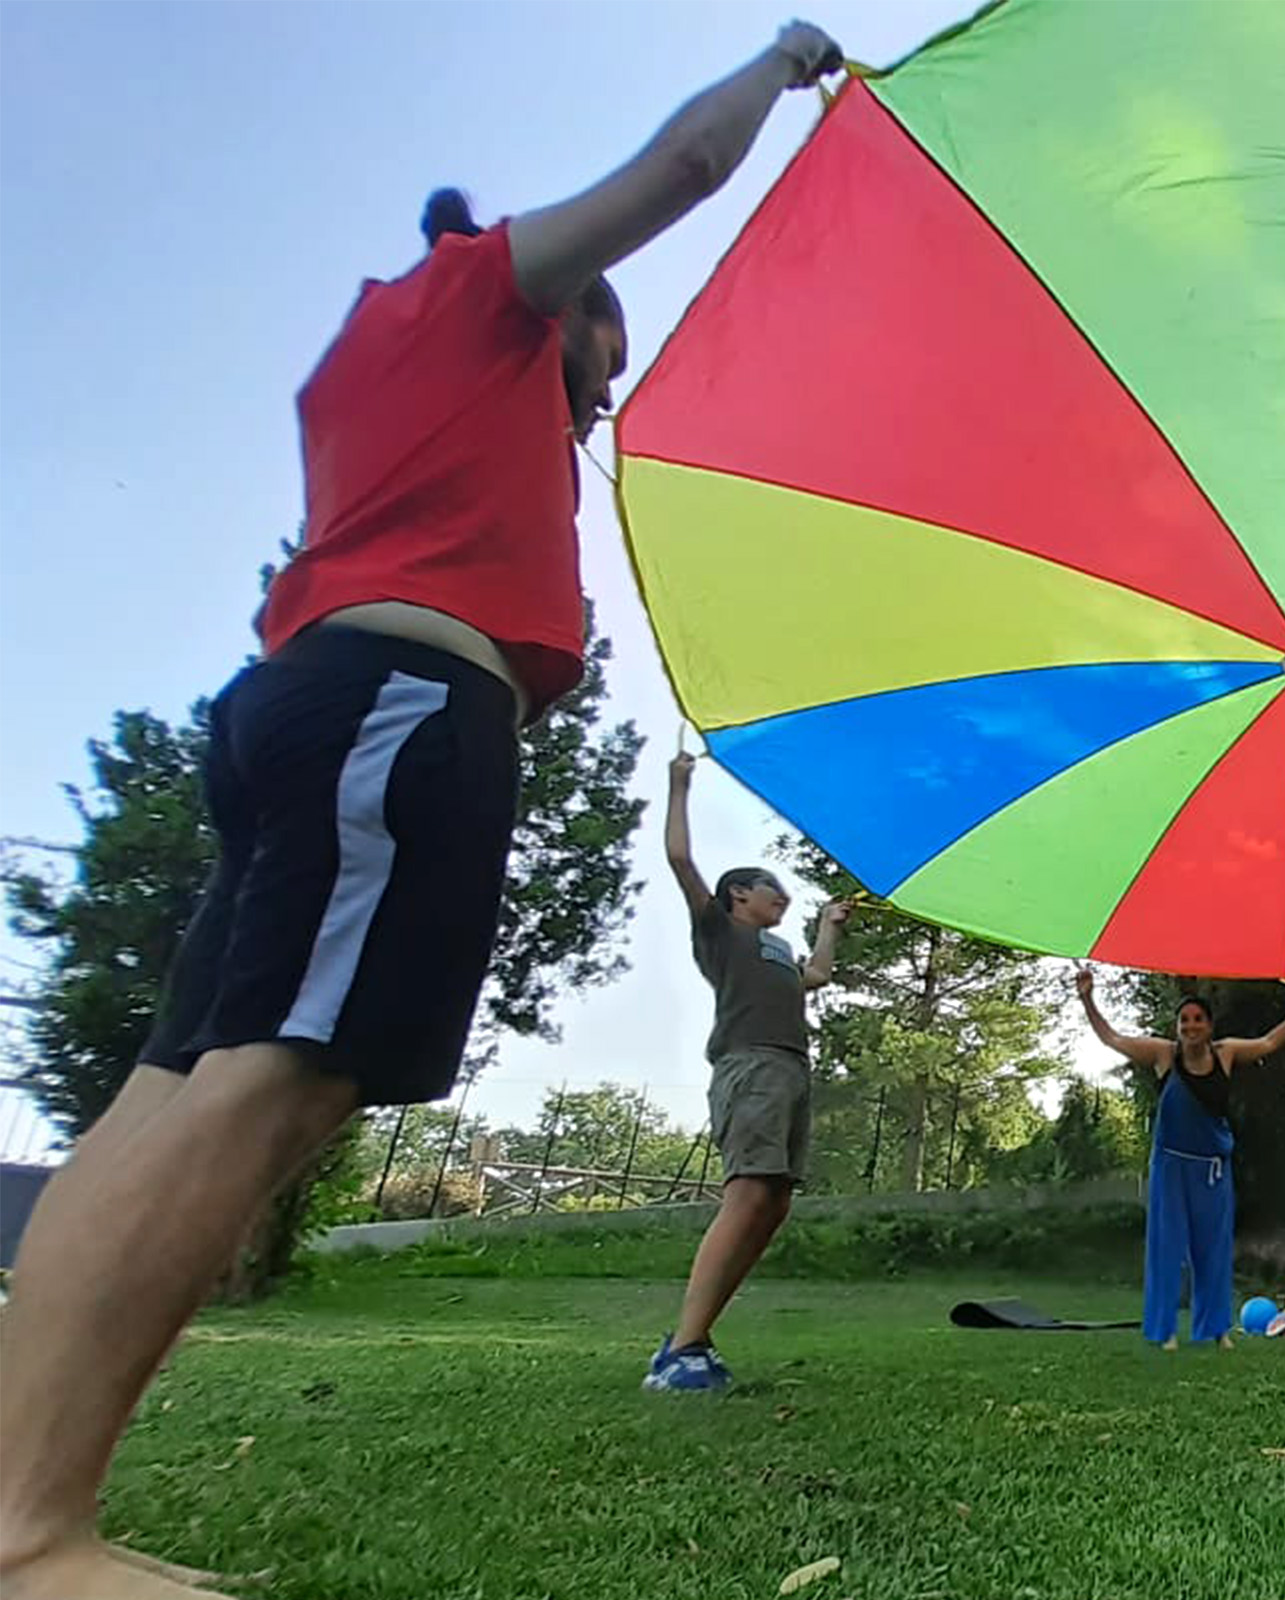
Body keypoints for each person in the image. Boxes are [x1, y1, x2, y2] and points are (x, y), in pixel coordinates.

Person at [0, 23, 844, 1598]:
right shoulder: (475, 300)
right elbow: (685, 164)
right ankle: (34, 1531)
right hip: (392, 712)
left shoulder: (375, 363)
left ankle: (24, 1506)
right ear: (571, 306)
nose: (608, 389)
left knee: (165, 1090)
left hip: (320, 706)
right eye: (611, 352)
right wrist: (782, 61)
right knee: (282, 1080)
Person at [653, 750, 848, 1391]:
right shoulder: (719, 930)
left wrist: (827, 927)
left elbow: (815, 976)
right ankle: (681, 1348)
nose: (783, 898)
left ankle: (692, 1337)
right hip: (751, 1067)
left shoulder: (779, 948)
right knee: (748, 1194)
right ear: (739, 894)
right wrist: (679, 785)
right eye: (774, 890)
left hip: (791, 1069)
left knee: (774, 1201)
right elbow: (681, 860)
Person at [1076, 971, 1285, 1348]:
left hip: (1212, 1168)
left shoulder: (1226, 1053)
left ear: (1209, 1026)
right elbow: (1112, 1039)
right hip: (1171, 1165)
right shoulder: (1163, 1054)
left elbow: (1268, 1042)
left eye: (1198, 1019)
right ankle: (1164, 1330)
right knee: (1167, 1247)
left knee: (1212, 1249)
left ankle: (1215, 1329)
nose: (1190, 1026)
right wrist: (1088, 999)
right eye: (1184, 1020)